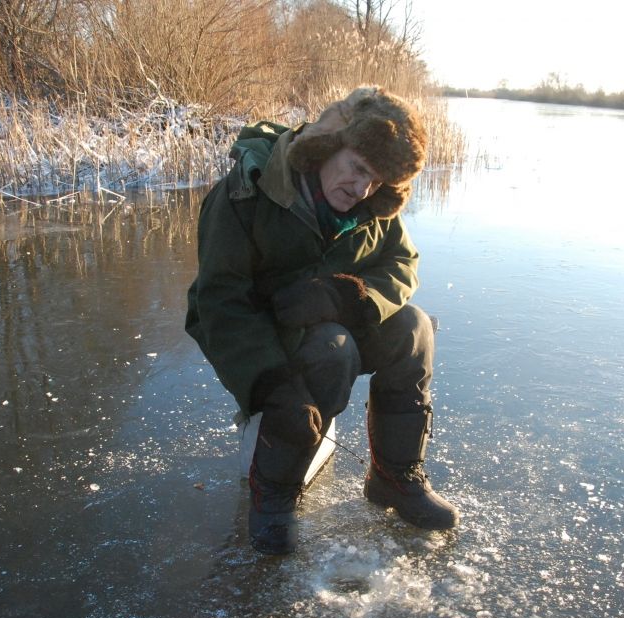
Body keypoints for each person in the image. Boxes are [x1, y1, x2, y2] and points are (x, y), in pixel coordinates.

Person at [185, 85, 459, 555]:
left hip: (331, 328)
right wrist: (271, 383)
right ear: (328, 145)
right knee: (332, 349)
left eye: (376, 181)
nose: (362, 190)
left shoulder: (372, 204)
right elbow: (217, 303)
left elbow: (401, 263)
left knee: (413, 328)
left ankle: (394, 477)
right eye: (357, 169)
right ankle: (273, 496)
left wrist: (353, 299)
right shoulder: (244, 194)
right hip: (266, 340)